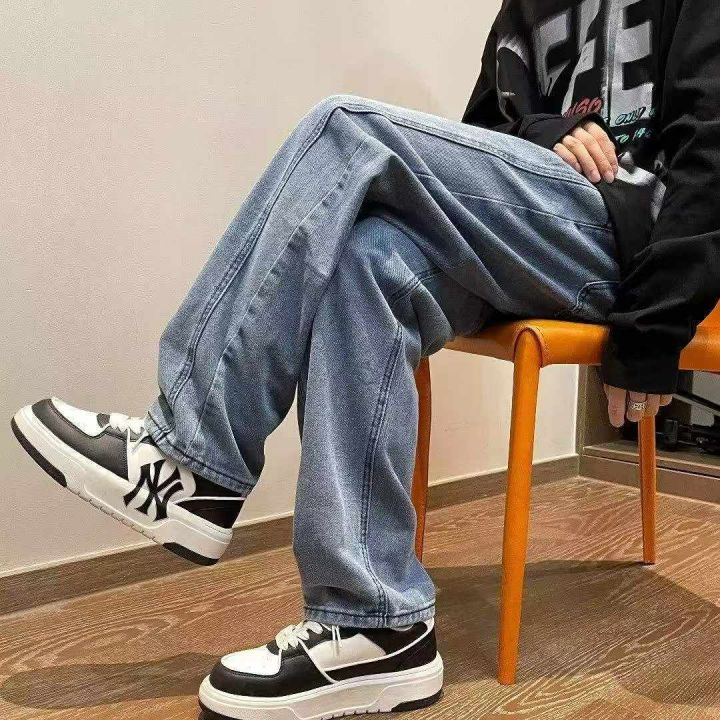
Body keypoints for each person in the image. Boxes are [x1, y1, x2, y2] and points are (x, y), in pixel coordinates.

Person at [11, 0, 720, 718]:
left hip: (627, 243)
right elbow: (483, 135)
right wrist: (549, 130)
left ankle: (191, 457)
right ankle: (376, 624)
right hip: (535, 226)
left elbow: (713, 155)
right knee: (367, 261)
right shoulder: (526, 6)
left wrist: (652, 331)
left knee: (346, 129)